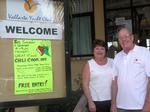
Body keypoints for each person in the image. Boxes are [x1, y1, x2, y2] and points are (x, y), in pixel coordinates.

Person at [111, 25, 150, 112]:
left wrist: (148, 104)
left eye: (126, 36)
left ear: (132, 37)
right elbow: (114, 83)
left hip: (140, 107)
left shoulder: (144, 52)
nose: (123, 39)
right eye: (120, 38)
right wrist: (113, 104)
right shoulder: (117, 57)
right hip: (120, 107)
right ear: (118, 41)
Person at [82, 39, 113, 112]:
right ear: (93, 50)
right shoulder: (89, 64)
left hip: (112, 101)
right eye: (97, 48)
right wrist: (90, 102)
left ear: (106, 51)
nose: (99, 51)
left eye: (102, 48)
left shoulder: (112, 62)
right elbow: (85, 85)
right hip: (95, 102)